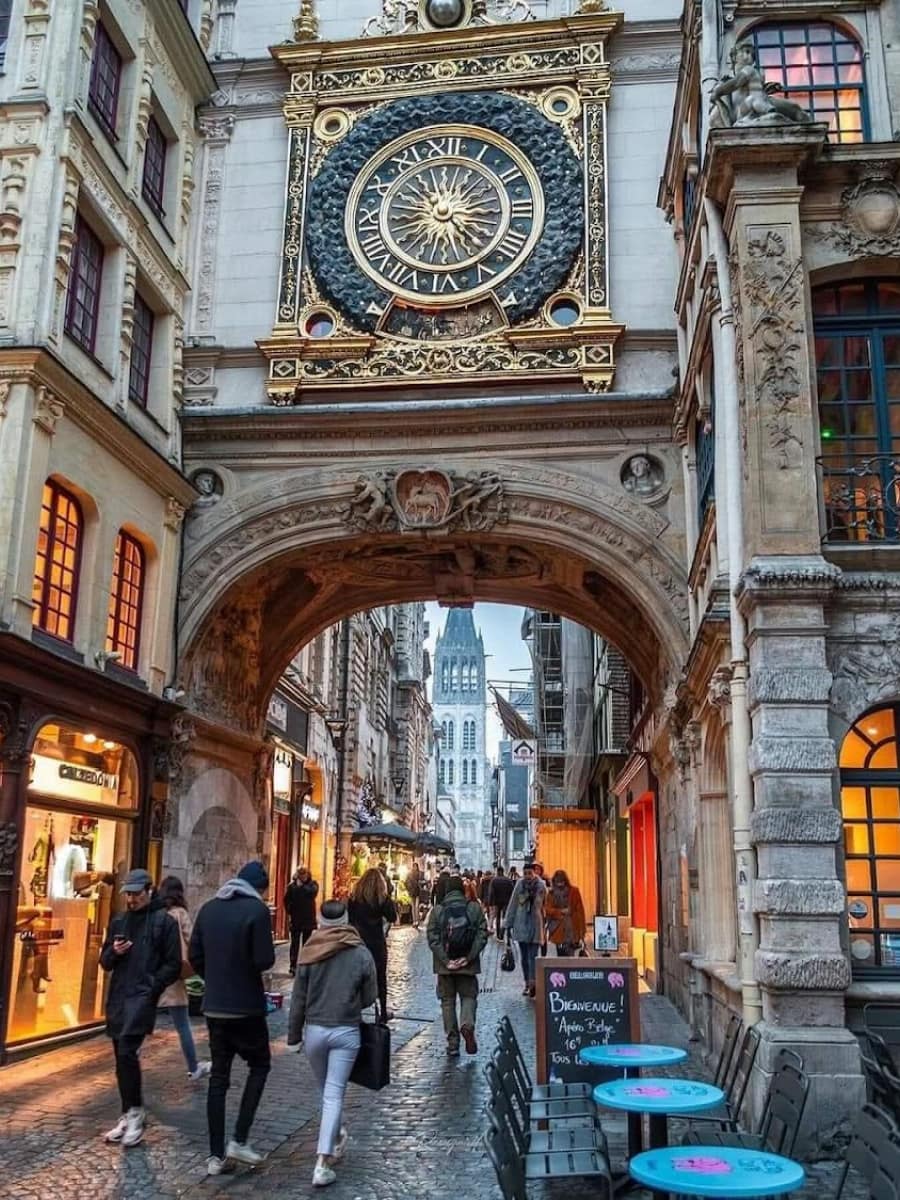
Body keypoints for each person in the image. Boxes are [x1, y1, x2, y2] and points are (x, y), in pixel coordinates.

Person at [189, 861, 276, 1177]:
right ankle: (239, 1137)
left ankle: (215, 1156)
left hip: (214, 1007)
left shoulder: (209, 908)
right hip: (247, 1007)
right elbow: (265, 959)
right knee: (260, 1064)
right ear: (259, 887)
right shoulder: (257, 911)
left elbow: (194, 955)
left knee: (219, 1079)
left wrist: (214, 978)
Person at [286, 899, 377, 1188]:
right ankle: (323, 1160)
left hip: (315, 1030)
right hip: (346, 1030)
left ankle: (335, 1140)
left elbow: (298, 998)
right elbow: (370, 995)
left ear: (320, 920)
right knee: (333, 1093)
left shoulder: (309, 950)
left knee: (327, 1091)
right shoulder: (360, 951)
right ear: (346, 919)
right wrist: (351, 1002)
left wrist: (293, 1036)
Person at [100, 868, 181, 1147]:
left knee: (127, 1052)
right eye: (128, 894)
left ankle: (135, 1112)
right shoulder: (119, 921)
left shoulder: (164, 923)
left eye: (136, 894)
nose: (131, 899)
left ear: (149, 891)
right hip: (119, 996)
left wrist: (152, 988)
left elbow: (173, 963)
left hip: (142, 996)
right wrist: (114, 952)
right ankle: (128, 1112)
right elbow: (105, 960)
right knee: (120, 1058)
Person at [427, 874, 488, 1056]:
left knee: (447, 1002)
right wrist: (469, 957)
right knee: (469, 997)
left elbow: (432, 938)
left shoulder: (437, 910)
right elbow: (482, 934)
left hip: (445, 967)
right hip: (467, 965)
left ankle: (453, 1043)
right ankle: (467, 1025)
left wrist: (446, 961)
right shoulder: (474, 908)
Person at [156, 875, 210, 1081]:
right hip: (174, 977)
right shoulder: (180, 914)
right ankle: (193, 1066)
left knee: (142, 1023)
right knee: (182, 1025)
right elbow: (192, 939)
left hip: (154, 976)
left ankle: (131, 1058)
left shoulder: (157, 914)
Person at [348, 867, 397, 1021]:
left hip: (358, 942)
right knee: (380, 977)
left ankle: (353, 1010)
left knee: (356, 977)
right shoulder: (382, 899)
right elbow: (393, 916)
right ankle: (382, 1011)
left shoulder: (355, 898)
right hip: (376, 942)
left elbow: (350, 918)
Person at [504, 862, 545, 998]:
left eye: (530, 873)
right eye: (525, 873)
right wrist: (507, 924)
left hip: (535, 925)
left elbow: (544, 905)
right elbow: (513, 904)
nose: (527, 876)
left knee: (533, 956)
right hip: (521, 924)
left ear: (535, 873)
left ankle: (534, 984)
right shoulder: (519, 885)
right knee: (524, 957)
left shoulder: (541, 885)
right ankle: (527, 982)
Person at [284, 867, 319, 975]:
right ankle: (293, 966)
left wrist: (301, 886)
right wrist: (290, 911)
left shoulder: (313, 884)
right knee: (294, 944)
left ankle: (305, 965)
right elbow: (286, 900)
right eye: (301, 874)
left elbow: (312, 892)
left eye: (305, 874)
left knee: (306, 944)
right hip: (296, 919)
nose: (303, 877)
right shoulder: (292, 886)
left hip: (308, 919)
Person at [545, 869, 587, 957]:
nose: (560, 884)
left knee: (570, 954)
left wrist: (582, 932)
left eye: (562, 881)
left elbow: (580, 912)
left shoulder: (574, 891)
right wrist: (560, 911)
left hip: (571, 927)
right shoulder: (551, 893)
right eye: (558, 882)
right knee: (560, 954)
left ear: (565, 881)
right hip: (557, 928)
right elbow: (547, 909)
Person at [488, 866, 514, 940]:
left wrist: (490, 903)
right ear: (503, 871)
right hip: (506, 901)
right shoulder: (508, 880)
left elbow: (491, 892)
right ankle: (505, 931)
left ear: (497, 871)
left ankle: (498, 934)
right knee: (505, 917)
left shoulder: (494, 880)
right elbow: (512, 891)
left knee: (498, 918)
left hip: (496, 901)